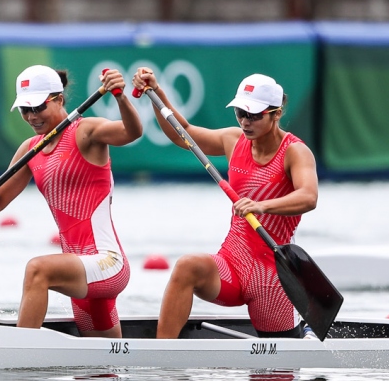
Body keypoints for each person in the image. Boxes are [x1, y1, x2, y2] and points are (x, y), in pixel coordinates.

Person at [0, 65, 143, 338]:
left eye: (38, 107)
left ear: (59, 100)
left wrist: (119, 97)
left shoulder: (86, 132)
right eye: (25, 109)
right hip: (77, 270)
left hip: (107, 264)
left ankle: (20, 355)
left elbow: (132, 132)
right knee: (102, 370)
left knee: (38, 270)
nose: (32, 117)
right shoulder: (30, 149)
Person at [132, 69, 318, 339]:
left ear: (276, 113)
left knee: (278, 378)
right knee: (187, 266)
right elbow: (182, 134)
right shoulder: (233, 140)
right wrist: (156, 93)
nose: (245, 121)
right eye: (240, 113)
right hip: (231, 264)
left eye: (254, 115)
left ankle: (305, 332)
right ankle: (163, 354)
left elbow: (309, 197)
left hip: (270, 275)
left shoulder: (295, 151)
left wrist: (261, 206)